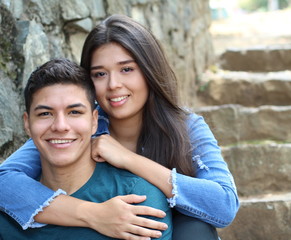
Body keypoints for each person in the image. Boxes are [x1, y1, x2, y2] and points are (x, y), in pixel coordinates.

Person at [0, 15, 240, 240]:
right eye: (100, 74)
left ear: (149, 71)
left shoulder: (186, 127)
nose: (114, 85)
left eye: (126, 69)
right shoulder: (81, 125)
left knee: (195, 228)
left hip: (174, 227)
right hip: (108, 222)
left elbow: (224, 204)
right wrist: (93, 214)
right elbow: (5, 180)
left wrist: (128, 159)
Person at [0, 58, 172, 240]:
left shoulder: (136, 199)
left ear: (94, 121)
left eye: (74, 112)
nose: (60, 126)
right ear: (27, 124)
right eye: (45, 114)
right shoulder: (8, 205)